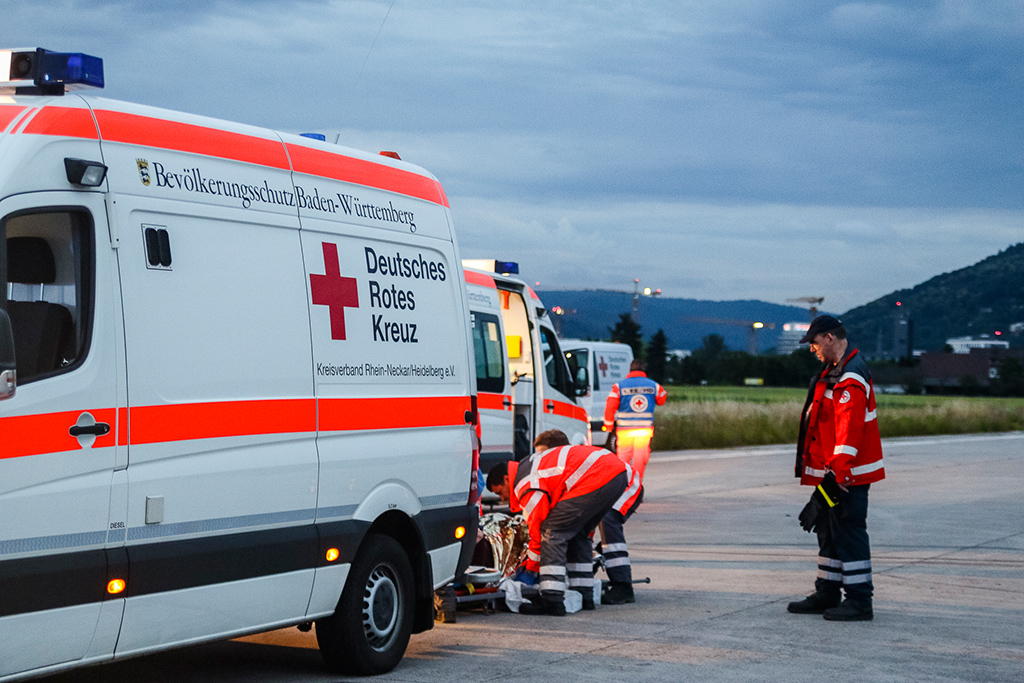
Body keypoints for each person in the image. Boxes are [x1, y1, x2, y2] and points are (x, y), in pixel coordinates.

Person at [788, 315, 885, 622]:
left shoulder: (850, 376)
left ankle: (859, 600)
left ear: (829, 338)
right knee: (828, 531)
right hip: (833, 473)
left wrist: (839, 473)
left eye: (815, 344)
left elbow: (850, 429)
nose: (813, 350)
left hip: (846, 475)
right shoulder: (835, 371)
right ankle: (827, 591)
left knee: (849, 532)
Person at [487, 430, 642, 616]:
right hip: (615, 472)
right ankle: (584, 595)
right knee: (579, 534)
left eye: (499, 492)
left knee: (552, 532)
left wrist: (530, 568)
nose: (502, 498)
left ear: (506, 479)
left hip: (600, 475)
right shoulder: (530, 466)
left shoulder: (524, 480)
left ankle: (552, 599)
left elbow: (538, 526)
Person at [603, 359, 667, 483]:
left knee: (623, 457)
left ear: (630, 370)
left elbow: (610, 406)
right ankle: (636, 485)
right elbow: (662, 399)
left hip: (624, 430)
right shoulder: (654, 385)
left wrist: (608, 425)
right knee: (640, 457)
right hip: (643, 430)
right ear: (644, 370)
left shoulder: (618, 386)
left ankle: (623, 484)